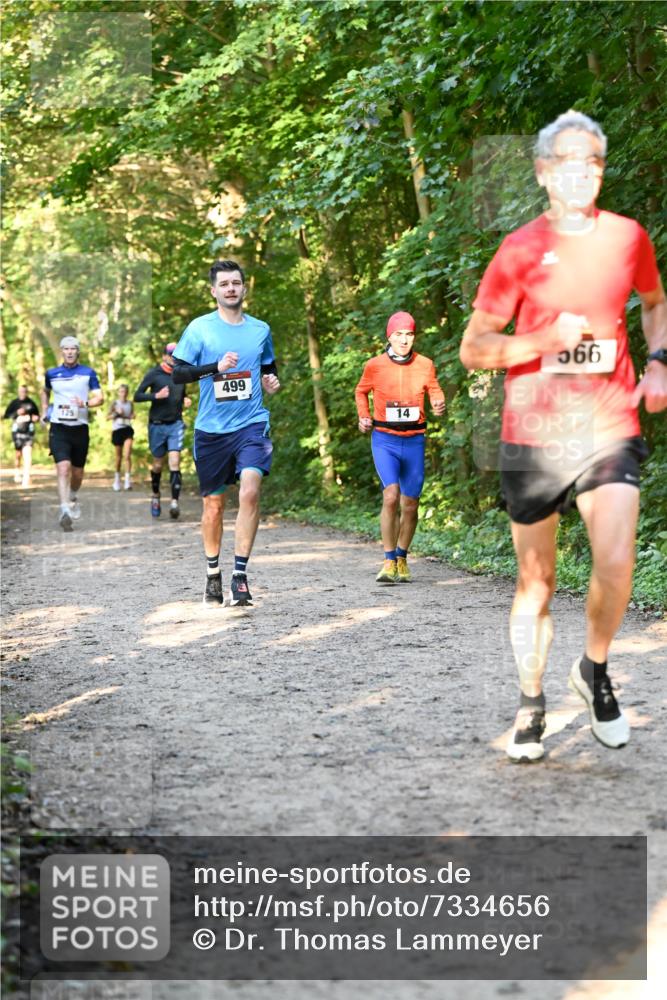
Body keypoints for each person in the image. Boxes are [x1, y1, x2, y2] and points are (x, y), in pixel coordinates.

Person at [459, 111, 667, 763]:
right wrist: (541, 341)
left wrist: (658, 361)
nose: (582, 172)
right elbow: (473, 349)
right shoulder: (517, 251)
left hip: (607, 422)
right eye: (568, 161)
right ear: (544, 172)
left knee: (614, 560)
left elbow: (655, 301)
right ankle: (530, 702)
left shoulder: (628, 237)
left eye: (593, 162)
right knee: (537, 582)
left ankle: (593, 667)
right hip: (534, 431)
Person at [171, 259, 280, 607]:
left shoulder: (260, 329)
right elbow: (178, 374)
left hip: (251, 424)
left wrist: (271, 381)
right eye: (224, 284)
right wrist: (214, 368)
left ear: (245, 288)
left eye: (236, 282)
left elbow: (268, 365)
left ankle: (240, 577)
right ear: (214, 290)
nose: (231, 288)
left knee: (249, 491)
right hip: (211, 430)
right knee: (213, 506)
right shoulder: (200, 329)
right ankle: (213, 573)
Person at [355, 311, 445, 583]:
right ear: (389, 337)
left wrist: (438, 402)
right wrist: (364, 415)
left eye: (409, 335)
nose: (404, 340)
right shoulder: (374, 365)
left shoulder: (425, 364)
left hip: (415, 440)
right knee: (391, 495)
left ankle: (402, 557)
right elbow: (361, 391)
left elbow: (434, 389)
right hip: (385, 439)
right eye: (398, 335)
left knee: (410, 504)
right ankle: (388, 560)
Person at [40, 336, 104, 530]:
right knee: (63, 468)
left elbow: (99, 398)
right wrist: (45, 409)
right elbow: (44, 391)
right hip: (59, 428)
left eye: (73, 349)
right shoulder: (52, 373)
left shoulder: (88, 373)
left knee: (77, 473)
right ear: (62, 352)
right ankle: (64, 509)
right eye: (66, 349)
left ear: (78, 352)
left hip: (80, 428)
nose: (69, 352)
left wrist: (84, 404)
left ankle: (73, 494)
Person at [134, 344, 191, 519]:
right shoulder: (154, 374)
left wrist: (185, 400)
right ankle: (156, 495)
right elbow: (137, 396)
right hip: (157, 425)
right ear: (164, 356)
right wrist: (155, 396)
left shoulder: (180, 375)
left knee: (175, 461)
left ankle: (174, 502)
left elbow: (180, 396)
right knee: (158, 464)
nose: (174, 358)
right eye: (171, 354)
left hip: (175, 424)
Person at [3, 385, 40, 487]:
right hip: (17, 432)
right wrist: (16, 413)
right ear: (18, 392)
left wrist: (35, 418)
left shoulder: (31, 403)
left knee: (28, 454)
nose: (22, 393)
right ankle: (17, 471)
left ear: (26, 392)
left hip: (29, 432)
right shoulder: (14, 403)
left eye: (24, 391)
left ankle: (26, 478)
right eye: (21, 391)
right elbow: (6, 415)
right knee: (18, 454)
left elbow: (37, 416)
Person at [107, 384, 134, 491]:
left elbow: (132, 414)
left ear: (127, 393)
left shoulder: (130, 403)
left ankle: (127, 481)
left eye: (125, 391)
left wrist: (132, 416)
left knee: (127, 455)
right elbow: (107, 417)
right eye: (121, 391)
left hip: (127, 429)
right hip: (117, 430)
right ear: (118, 393)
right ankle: (117, 481)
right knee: (118, 457)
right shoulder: (114, 403)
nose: (123, 393)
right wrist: (116, 414)